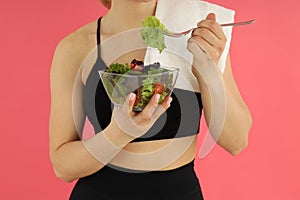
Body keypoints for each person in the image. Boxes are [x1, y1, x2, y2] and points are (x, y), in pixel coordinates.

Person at [49, 0, 253, 199]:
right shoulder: (75, 47)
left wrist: (209, 68)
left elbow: (236, 141)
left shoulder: (196, 33)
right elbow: (63, 167)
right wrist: (118, 133)